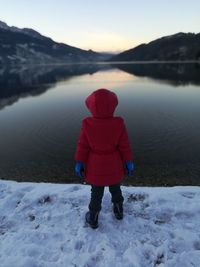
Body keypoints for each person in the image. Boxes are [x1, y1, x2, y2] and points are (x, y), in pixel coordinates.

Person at [74, 88, 134, 229]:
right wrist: (128, 161)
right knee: (116, 188)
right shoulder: (118, 123)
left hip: (96, 165)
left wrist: (79, 162)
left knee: (96, 193)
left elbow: (83, 146)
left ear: (91, 106)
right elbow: (124, 146)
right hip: (114, 163)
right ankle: (119, 211)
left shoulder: (87, 124)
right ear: (113, 105)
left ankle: (93, 218)